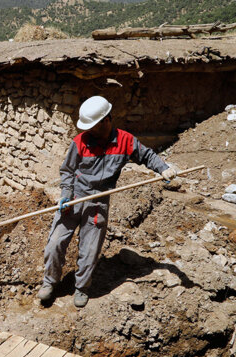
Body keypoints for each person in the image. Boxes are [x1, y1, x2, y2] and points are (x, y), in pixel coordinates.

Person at [37, 96, 178, 308]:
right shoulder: (80, 142)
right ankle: (49, 283)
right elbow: (67, 170)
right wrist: (65, 194)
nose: (89, 130)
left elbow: (147, 155)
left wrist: (163, 168)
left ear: (105, 120)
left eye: (93, 126)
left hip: (98, 201)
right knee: (55, 243)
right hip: (75, 198)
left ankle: (82, 288)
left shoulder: (125, 141)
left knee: (90, 249)